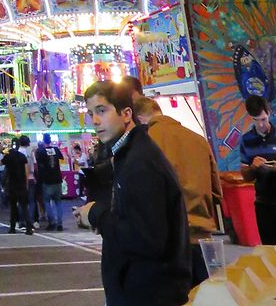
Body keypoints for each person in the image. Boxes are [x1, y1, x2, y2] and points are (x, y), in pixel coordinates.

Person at [74, 81, 190, 306]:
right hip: (139, 289)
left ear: (126, 114)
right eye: (90, 113)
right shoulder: (128, 155)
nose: (95, 120)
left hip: (148, 293)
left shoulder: (140, 161)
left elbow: (147, 239)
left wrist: (96, 214)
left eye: (102, 110)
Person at [134, 97, 223, 285]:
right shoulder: (198, 140)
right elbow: (217, 192)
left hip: (168, 242)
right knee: (205, 294)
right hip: (202, 238)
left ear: (139, 119)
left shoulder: (145, 143)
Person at [239, 94, 276, 253]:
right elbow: (246, 176)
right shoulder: (246, 140)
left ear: (269, 113)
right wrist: (253, 167)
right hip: (264, 205)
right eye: (256, 120)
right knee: (273, 254)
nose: (261, 124)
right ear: (250, 117)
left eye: (263, 119)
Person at [2, 139, 31, 235]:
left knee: (13, 207)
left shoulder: (8, 156)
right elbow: (26, 170)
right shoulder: (22, 156)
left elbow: (0, 163)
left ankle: (12, 227)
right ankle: (29, 228)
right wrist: (26, 183)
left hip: (12, 184)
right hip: (21, 183)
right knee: (24, 207)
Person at [35, 134, 64, 231]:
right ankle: (60, 223)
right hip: (57, 179)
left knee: (47, 202)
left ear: (43, 140)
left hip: (47, 180)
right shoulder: (56, 149)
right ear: (50, 140)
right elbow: (61, 157)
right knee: (58, 202)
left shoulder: (40, 151)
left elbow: (39, 166)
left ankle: (52, 222)